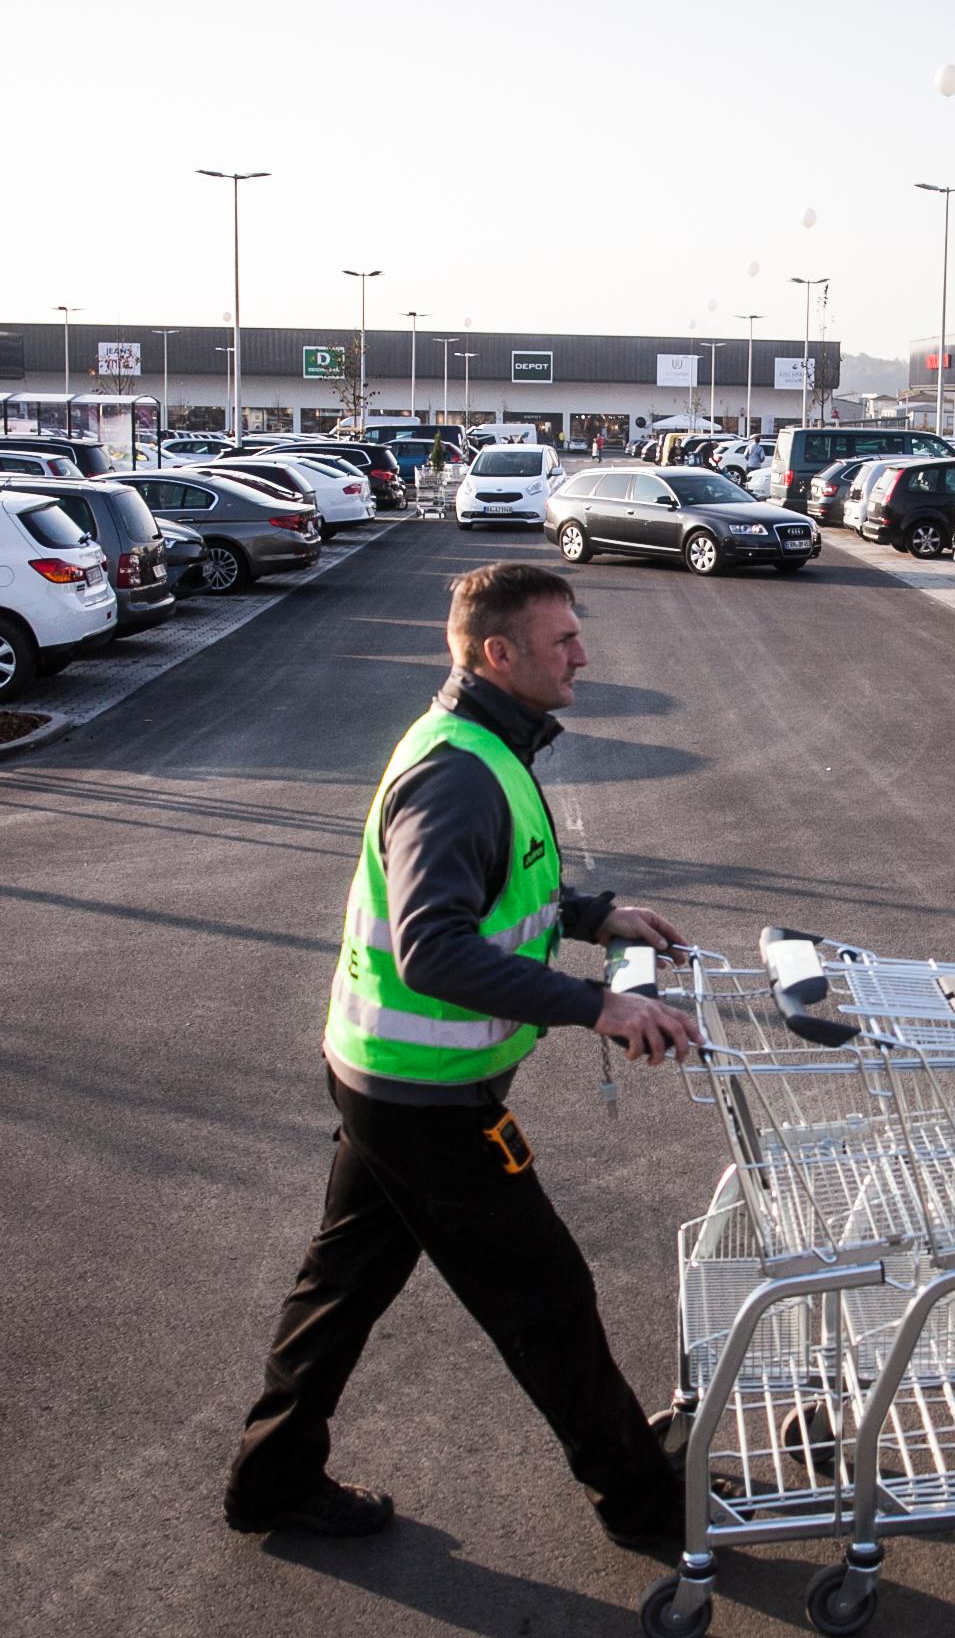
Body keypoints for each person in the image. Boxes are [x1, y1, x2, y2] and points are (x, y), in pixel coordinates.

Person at [225, 562, 702, 1547]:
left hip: (384, 1078)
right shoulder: (458, 769)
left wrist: (594, 912)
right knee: (547, 1294)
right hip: (427, 1097)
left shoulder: (483, 740)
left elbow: (503, 886)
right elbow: (432, 946)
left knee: (344, 1286)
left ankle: (270, 1480)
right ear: (499, 652)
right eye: (562, 639)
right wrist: (596, 1003)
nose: (583, 654)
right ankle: (643, 1500)